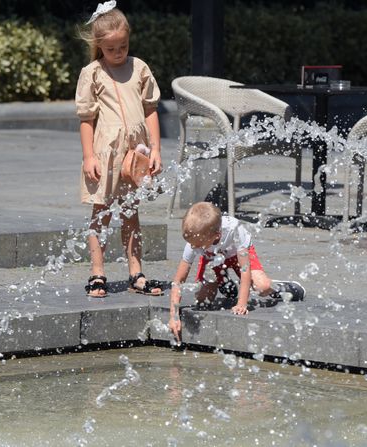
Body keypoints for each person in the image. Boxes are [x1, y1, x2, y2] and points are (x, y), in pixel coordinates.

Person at [76, 1, 163, 297]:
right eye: (112, 49)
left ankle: (135, 271)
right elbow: (86, 119)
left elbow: (151, 109)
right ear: (100, 46)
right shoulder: (92, 73)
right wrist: (88, 157)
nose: (118, 53)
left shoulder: (139, 67)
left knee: (131, 211)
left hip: (134, 153)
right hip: (105, 153)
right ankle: (97, 272)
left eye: (123, 46)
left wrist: (155, 150)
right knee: (101, 213)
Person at [168, 202, 305, 339]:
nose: (193, 247)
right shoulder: (195, 240)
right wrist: (174, 316)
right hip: (213, 258)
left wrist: (241, 304)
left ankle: (278, 288)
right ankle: (225, 282)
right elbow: (178, 281)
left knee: (261, 287)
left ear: (216, 235)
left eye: (198, 245)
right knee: (203, 300)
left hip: (237, 255)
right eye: (191, 243)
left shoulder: (234, 229)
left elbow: (245, 270)